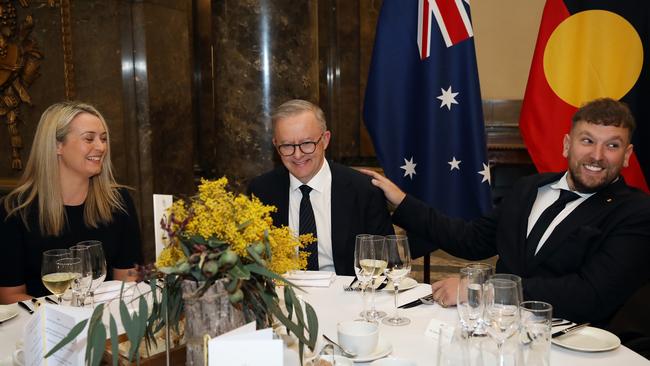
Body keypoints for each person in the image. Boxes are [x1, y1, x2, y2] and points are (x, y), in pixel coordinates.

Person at [362, 97, 650, 326]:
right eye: (587, 140)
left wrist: (484, 290)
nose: (597, 156)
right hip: (499, 332)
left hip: (575, 348)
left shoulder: (636, 212)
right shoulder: (529, 188)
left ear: (626, 155)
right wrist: (401, 200)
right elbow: (470, 239)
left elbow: (590, 295)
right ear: (567, 145)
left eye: (612, 145)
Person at [0, 101, 143, 303]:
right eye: (89, 138)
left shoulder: (118, 202)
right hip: (43, 325)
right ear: (58, 145)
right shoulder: (15, 210)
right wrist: (65, 316)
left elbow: (129, 280)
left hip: (105, 322)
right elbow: (9, 295)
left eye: (103, 139)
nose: (101, 147)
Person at [248, 99, 394, 275]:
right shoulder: (261, 191)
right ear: (276, 146)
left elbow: (387, 263)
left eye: (307, 143)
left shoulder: (363, 190)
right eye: (287, 145)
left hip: (348, 297)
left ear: (325, 140)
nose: (298, 155)